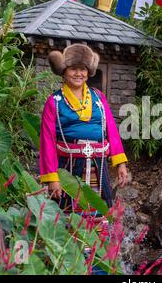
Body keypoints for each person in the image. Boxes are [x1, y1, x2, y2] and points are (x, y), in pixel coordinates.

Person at [39, 43, 128, 215]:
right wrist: (52, 178)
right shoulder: (54, 102)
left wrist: (120, 163)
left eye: (83, 69)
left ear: (89, 72)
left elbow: (111, 129)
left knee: (98, 215)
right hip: (69, 167)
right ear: (64, 71)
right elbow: (47, 141)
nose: (79, 73)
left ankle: (95, 243)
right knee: (69, 215)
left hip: (98, 165)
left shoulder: (98, 97)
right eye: (73, 68)